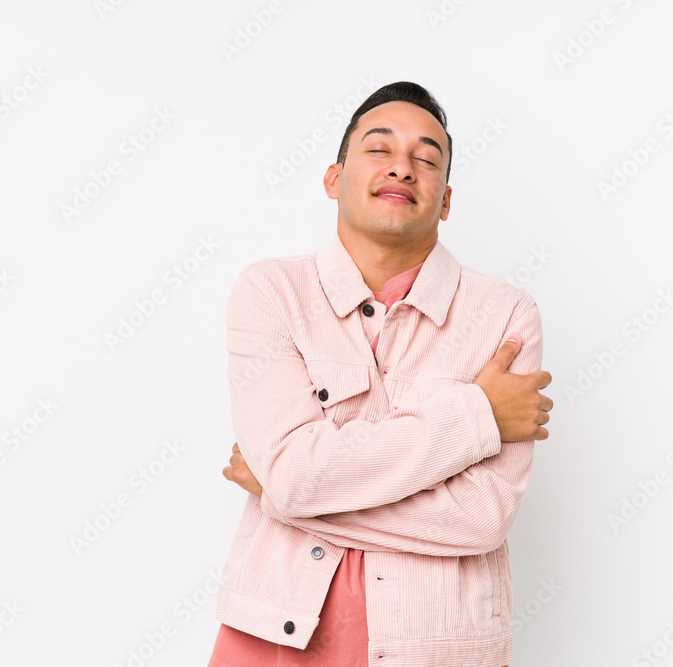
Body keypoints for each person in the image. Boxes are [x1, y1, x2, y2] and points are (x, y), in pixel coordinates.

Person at [208, 81, 552, 667]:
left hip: (437, 648)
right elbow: (291, 476)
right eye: (379, 149)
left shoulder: (505, 316)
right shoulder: (271, 292)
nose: (402, 168)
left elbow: (480, 520)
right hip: (272, 638)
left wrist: (285, 496)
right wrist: (478, 415)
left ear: (446, 200)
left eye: (426, 159)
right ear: (333, 178)